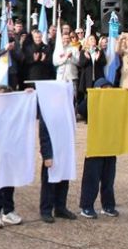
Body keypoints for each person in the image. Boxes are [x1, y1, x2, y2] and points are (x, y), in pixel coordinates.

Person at [77, 78, 119, 218]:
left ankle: (108, 205)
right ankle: (86, 206)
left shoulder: (114, 103)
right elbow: (81, 110)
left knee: (109, 179)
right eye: (104, 88)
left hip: (111, 144)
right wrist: (93, 95)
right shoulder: (92, 102)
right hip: (95, 145)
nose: (108, 91)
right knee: (91, 178)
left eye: (109, 88)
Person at [0, 84, 24, 228]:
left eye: (1, 97)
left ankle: (8, 211)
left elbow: (24, 109)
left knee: (9, 182)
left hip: (9, 152)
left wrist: (27, 95)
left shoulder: (12, 113)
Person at [38, 109, 76, 223]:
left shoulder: (66, 106)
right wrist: (47, 155)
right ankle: (46, 210)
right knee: (49, 182)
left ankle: (60, 207)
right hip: (52, 151)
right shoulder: (47, 108)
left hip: (64, 149)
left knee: (64, 179)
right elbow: (44, 134)